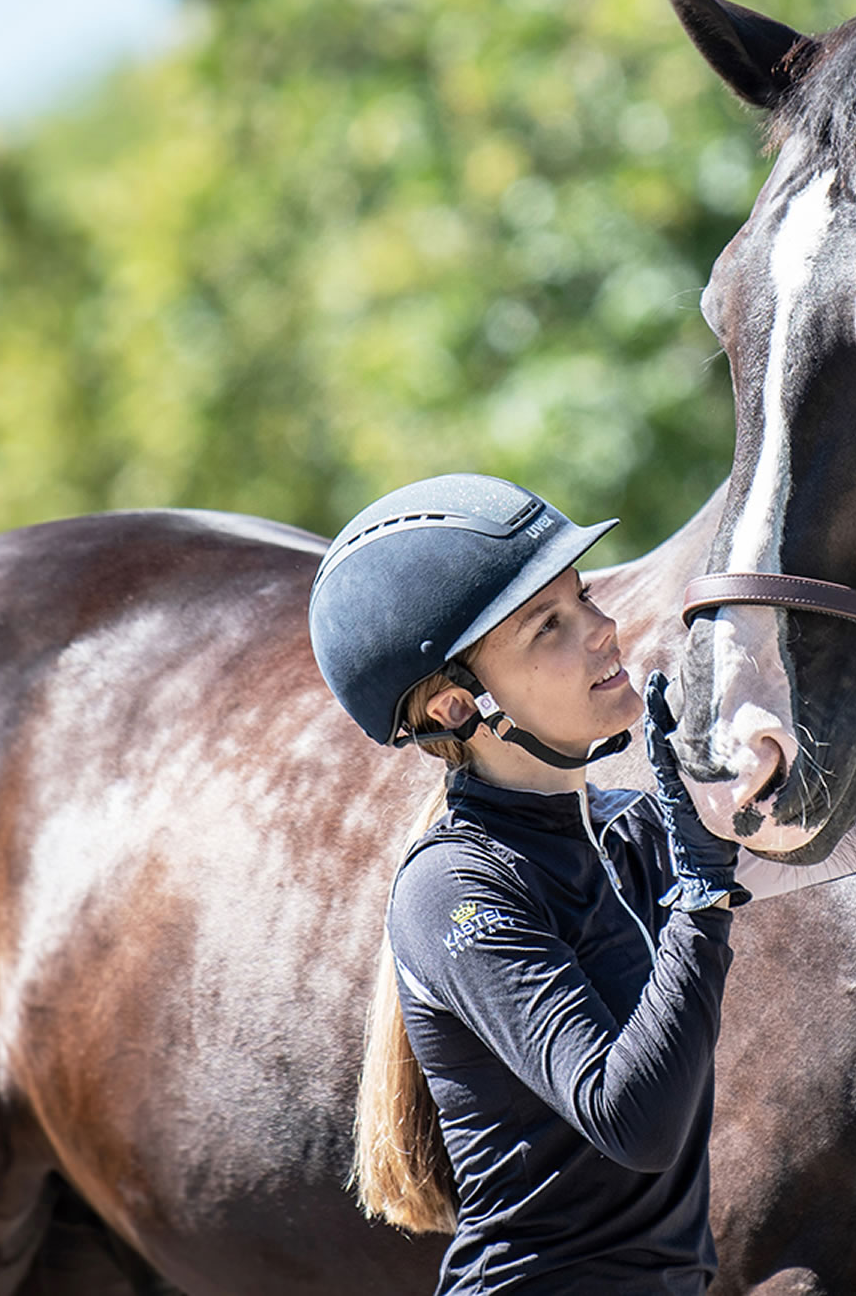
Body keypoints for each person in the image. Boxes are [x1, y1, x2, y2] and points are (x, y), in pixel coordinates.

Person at [308, 473, 748, 1296]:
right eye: (550, 625)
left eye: (584, 598)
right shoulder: (453, 886)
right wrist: (701, 888)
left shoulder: (632, 831)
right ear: (455, 709)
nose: (604, 630)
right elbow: (635, 1120)